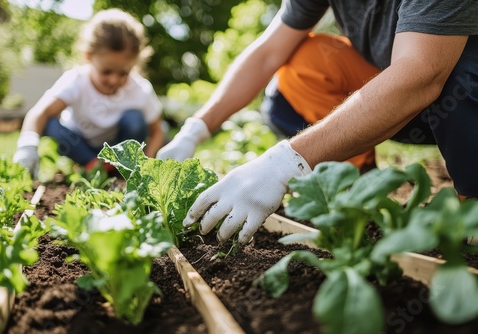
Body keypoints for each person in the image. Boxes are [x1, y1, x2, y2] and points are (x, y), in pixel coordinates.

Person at [157, 0, 478, 246]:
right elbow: (269, 52)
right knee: (307, 61)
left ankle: (472, 202)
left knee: (463, 72)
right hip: (403, 93)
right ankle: (354, 183)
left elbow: (423, 74)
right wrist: (195, 129)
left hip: (450, 87)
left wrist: (286, 163)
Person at [14, 8, 165, 178]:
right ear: (88, 56)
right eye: (106, 72)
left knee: (135, 119)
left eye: (123, 72)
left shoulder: (140, 89)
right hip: (80, 147)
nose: (114, 80)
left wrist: (148, 163)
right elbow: (39, 113)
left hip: (118, 150)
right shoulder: (76, 80)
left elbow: (157, 131)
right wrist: (27, 147)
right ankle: (93, 166)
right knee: (50, 123)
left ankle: (119, 167)